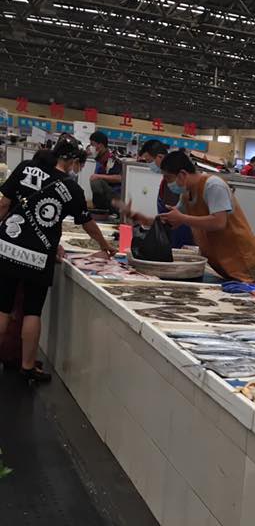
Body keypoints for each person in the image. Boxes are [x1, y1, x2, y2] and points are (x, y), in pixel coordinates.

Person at [0, 136, 116, 383]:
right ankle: (28, 367)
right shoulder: (72, 189)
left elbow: (4, 204)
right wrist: (105, 245)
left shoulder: (26, 168)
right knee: (32, 311)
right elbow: (88, 225)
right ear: (73, 161)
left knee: (2, 307)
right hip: (39, 256)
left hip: (7, 247)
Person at [120, 150, 255, 283]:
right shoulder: (186, 195)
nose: (168, 184)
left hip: (242, 259)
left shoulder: (213, 186)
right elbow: (170, 220)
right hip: (221, 261)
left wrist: (182, 218)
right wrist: (139, 217)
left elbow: (219, 222)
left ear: (182, 174)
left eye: (169, 178)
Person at [138, 139, 194, 248]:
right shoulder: (166, 181)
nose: (149, 165)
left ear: (160, 157)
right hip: (170, 234)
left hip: (180, 237)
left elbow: (173, 215)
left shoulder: (175, 183)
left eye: (149, 161)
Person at [88, 130, 123, 212]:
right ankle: (99, 209)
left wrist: (98, 176)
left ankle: (103, 209)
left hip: (115, 195)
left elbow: (120, 178)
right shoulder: (99, 159)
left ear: (100, 145)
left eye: (92, 144)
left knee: (96, 181)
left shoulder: (112, 159)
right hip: (107, 195)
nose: (91, 147)